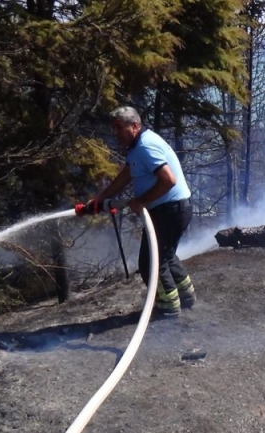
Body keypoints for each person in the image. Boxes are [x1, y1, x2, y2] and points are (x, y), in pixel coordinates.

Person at [88, 106, 196, 319]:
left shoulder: (146, 146)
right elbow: (126, 175)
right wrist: (100, 199)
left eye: (119, 127)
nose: (115, 133)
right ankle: (186, 297)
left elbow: (168, 180)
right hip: (172, 209)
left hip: (170, 210)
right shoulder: (137, 147)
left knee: (151, 263)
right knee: (165, 255)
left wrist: (141, 201)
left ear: (135, 126)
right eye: (113, 128)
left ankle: (168, 308)